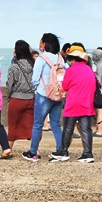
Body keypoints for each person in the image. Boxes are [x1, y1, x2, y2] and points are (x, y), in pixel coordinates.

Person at [23, 33, 64, 162]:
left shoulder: (41, 58)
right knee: (56, 124)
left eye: (41, 42)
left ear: (45, 44)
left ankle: (33, 152)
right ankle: (61, 150)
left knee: (37, 125)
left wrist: (39, 88)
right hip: (58, 94)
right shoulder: (60, 58)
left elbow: (35, 79)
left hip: (44, 94)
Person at [52, 44, 95, 163]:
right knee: (86, 129)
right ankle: (87, 153)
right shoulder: (89, 70)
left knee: (68, 128)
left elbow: (65, 86)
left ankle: (63, 151)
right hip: (87, 102)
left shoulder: (71, 70)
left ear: (73, 59)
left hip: (73, 103)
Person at [6, 40, 35, 149]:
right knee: (31, 125)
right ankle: (34, 150)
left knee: (13, 125)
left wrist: (9, 96)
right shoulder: (33, 65)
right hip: (31, 98)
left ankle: (8, 148)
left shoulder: (14, 66)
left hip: (17, 98)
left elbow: (9, 84)